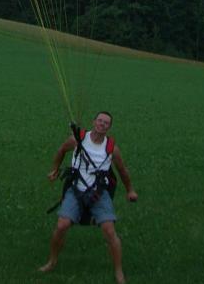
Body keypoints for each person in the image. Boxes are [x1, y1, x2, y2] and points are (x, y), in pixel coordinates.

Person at [39, 111, 138, 283]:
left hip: (99, 193)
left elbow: (122, 170)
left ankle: (118, 271)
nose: (102, 124)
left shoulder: (112, 149)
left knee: (109, 230)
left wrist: (130, 190)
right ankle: (52, 261)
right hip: (76, 190)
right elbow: (62, 150)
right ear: (94, 122)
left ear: (109, 127)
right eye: (100, 121)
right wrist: (55, 169)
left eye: (106, 123)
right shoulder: (78, 139)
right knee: (62, 225)